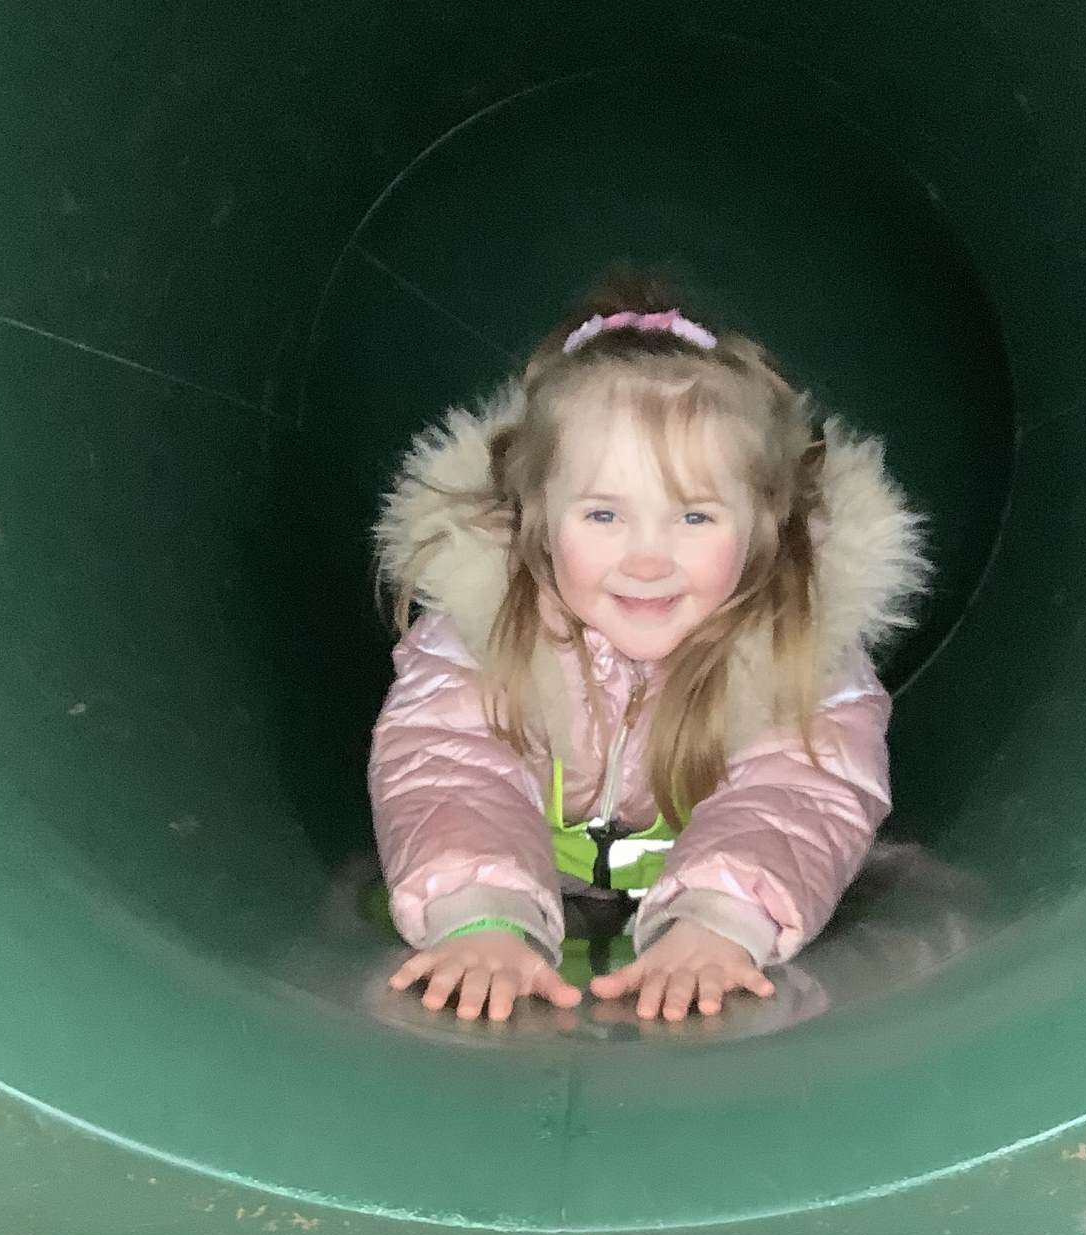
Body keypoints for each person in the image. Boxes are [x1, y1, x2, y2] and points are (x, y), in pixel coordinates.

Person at [368, 275, 928, 1023]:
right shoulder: (485, 629)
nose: (647, 559)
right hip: (522, 889)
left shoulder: (798, 645)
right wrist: (481, 921)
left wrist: (719, 926)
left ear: (763, 524)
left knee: (927, 909)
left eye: (694, 518)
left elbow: (800, 791)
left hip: (722, 904)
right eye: (603, 515)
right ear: (537, 517)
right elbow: (449, 766)